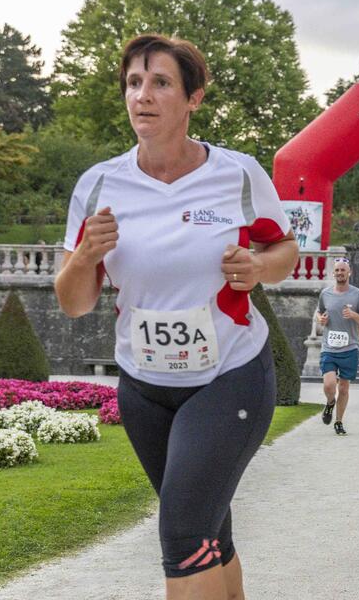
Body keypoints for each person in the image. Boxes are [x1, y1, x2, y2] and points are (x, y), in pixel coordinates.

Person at [54, 34, 299, 599]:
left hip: (228, 376)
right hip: (144, 388)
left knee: (183, 535)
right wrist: (87, 255)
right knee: (210, 531)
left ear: (193, 98)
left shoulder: (237, 175)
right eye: (134, 83)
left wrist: (258, 267)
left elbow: (285, 251)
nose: (143, 95)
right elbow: (74, 302)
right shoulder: (98, 185)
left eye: (161, 82)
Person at [317, 258, 359, 435]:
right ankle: (330, 402)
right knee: (329, 385)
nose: (340, 273)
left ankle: (338, 422)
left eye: (343, 270)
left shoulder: (357, 295)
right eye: (337, 270)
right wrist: (321, 319)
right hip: (329, 347)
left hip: (349, 348)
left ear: (349, 273)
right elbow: (319, 312)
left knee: (344, 388)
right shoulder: (325, 294)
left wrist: (354, 315)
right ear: (334, 273)